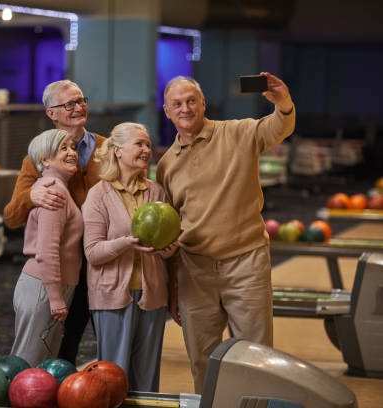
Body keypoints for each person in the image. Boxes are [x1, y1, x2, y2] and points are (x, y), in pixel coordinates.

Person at [156, 72, 295, 393]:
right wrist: (174, 284)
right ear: (166, 111)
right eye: (177, 103)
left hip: (246, 263)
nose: (185, 108)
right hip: (194, 271)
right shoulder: (166, 166)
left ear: (203, 103)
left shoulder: (238, 133)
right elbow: (171, 229)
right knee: (202, 359)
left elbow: (279, 127)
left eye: (191, 101)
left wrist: (283, 103)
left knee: (257, 356)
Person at [4, 80, 105, 364]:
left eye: (81, 100)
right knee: (60, 348)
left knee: (109, 348)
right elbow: (11, 217)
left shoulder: (109, 150)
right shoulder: (37, 158)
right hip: (60, 271)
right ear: (52, 113)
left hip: (103, 266)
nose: (78, 107)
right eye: (68, 104)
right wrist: (31, 195)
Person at [82, 122, 179, 392]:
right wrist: (127, 243)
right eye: (139, 144)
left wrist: (169, 248)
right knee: (112, 377)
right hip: (112, 296)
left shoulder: (156, 192)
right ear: (118, 150)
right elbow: (92, 253)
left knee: (147, 379)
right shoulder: (98, 195)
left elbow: (168, 246)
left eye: (148, 144)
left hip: (153, 296)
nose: (146, 149)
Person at [10, 129, 83, 367]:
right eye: (63, 148)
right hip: (43, 287)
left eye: (72, 147)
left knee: (41, 364)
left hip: (49, 286)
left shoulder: (59, 188)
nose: (72, 152)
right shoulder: (54, 191)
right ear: (45, 159)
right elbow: (47, 250)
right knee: (27, 364)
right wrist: (55, 298)